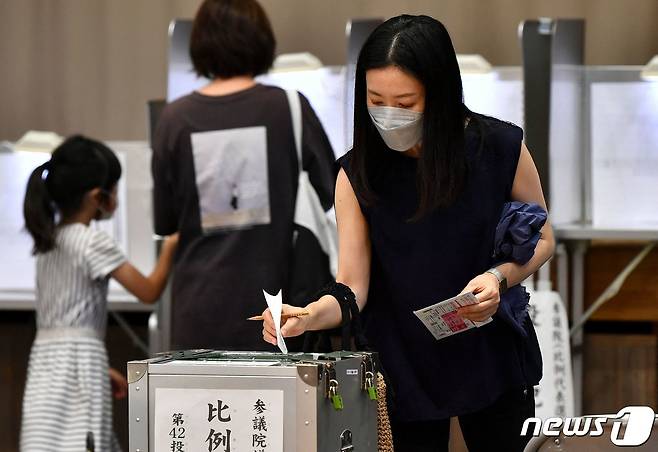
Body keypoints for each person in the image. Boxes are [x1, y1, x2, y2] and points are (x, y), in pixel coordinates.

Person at [262, 15, 555, 452]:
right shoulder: (357, 173)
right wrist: (308, 316)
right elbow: (353, 286)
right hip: (403, 361)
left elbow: (544, 238)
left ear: (438, 95)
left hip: (489, 352)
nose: (388, 115)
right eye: (375, 100)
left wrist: (499, 278)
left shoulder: (499, 147)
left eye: (405, 102)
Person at [152, 0, 336, 350]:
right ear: (262, 40)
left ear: (200, 43)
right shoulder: (289, 108)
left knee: (203, 407)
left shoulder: (174, 120)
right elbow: (333, 194)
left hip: (198, 312)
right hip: (279, 314)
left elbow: (165, 222)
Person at [20, 136, 178, 452]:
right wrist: (171, 246)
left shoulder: (49, 240)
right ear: (97, 196)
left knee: (50, 441)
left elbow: (63, 316)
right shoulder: (92, 241)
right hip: (80, 359)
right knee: (83, 441)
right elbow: (148, 291)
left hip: (46, 362)